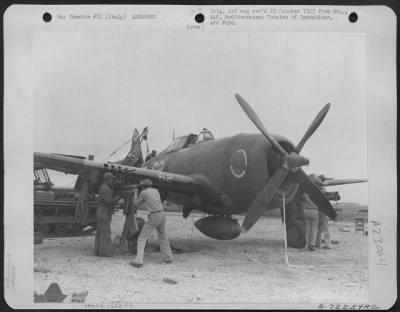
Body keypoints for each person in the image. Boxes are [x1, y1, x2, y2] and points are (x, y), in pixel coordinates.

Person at [130, 179, 173, 268]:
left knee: (142, 238)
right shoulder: (155, 190)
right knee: (163, 237)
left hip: (154, 216)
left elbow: (135, 203)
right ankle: (168, 258)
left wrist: (135, 193)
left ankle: (138, 261)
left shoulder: (143, 193)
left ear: (142, 186)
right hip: (162, 214)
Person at [94, 172, 120, 257]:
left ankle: (98, 251)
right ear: (108, 179)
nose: (112, 181)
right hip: (104, 211)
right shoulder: (106, 189)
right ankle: (104, 252)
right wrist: (118, 197)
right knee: (105, 232)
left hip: (101, 211)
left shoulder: (103, 187)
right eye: (112, 179)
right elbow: (109, 202)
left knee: (100, 231)